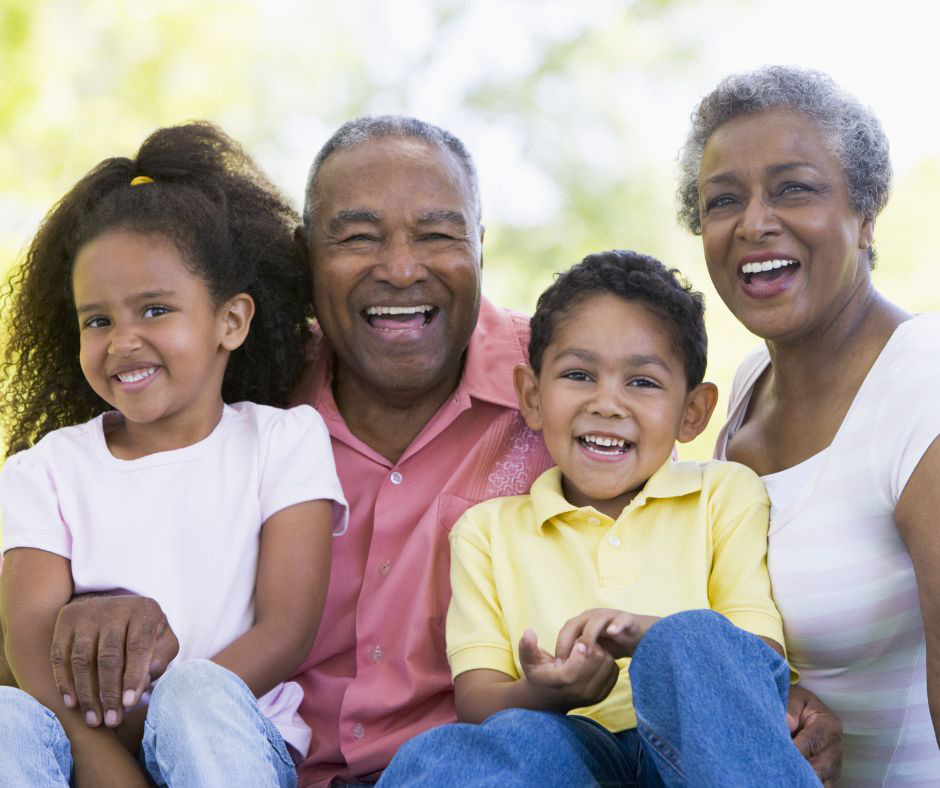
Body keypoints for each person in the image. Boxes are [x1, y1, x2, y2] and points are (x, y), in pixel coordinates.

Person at [0, 116, 555, 786]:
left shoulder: (565, 381)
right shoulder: (250, 383)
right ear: (306, 255)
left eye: (438, 235)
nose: (402, 268)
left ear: (479, 244)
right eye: (357, 238)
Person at [378, 249, 820, 786]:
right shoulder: (486, 532)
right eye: (580, 374)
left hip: (703, 756)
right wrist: (545, 692)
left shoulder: (723, 494)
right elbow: (478, 700)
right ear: (533, 397)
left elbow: (755, 665)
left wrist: (645, 636)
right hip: (569, 751)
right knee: (444, 755)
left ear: (693, 413)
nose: (608, 403)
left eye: (643, 382)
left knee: (695, 640)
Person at [0, 122, 348, 787]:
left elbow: (285, 630)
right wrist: (110, 765)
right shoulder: (44, 472)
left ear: (231, 322)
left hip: (227, 740)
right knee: (5, 716)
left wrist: (163, 720)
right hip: (87, 754)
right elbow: (28, 643)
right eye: (97, 320)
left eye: (155, 310)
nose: (123, 340)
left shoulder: (284, 444)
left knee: (195, 692)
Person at [678, 65, 940, 785]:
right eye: (723, 200)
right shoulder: (743, 395)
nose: (754, 222)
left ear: (865, 215)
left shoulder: (924, 379)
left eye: (794, 187)